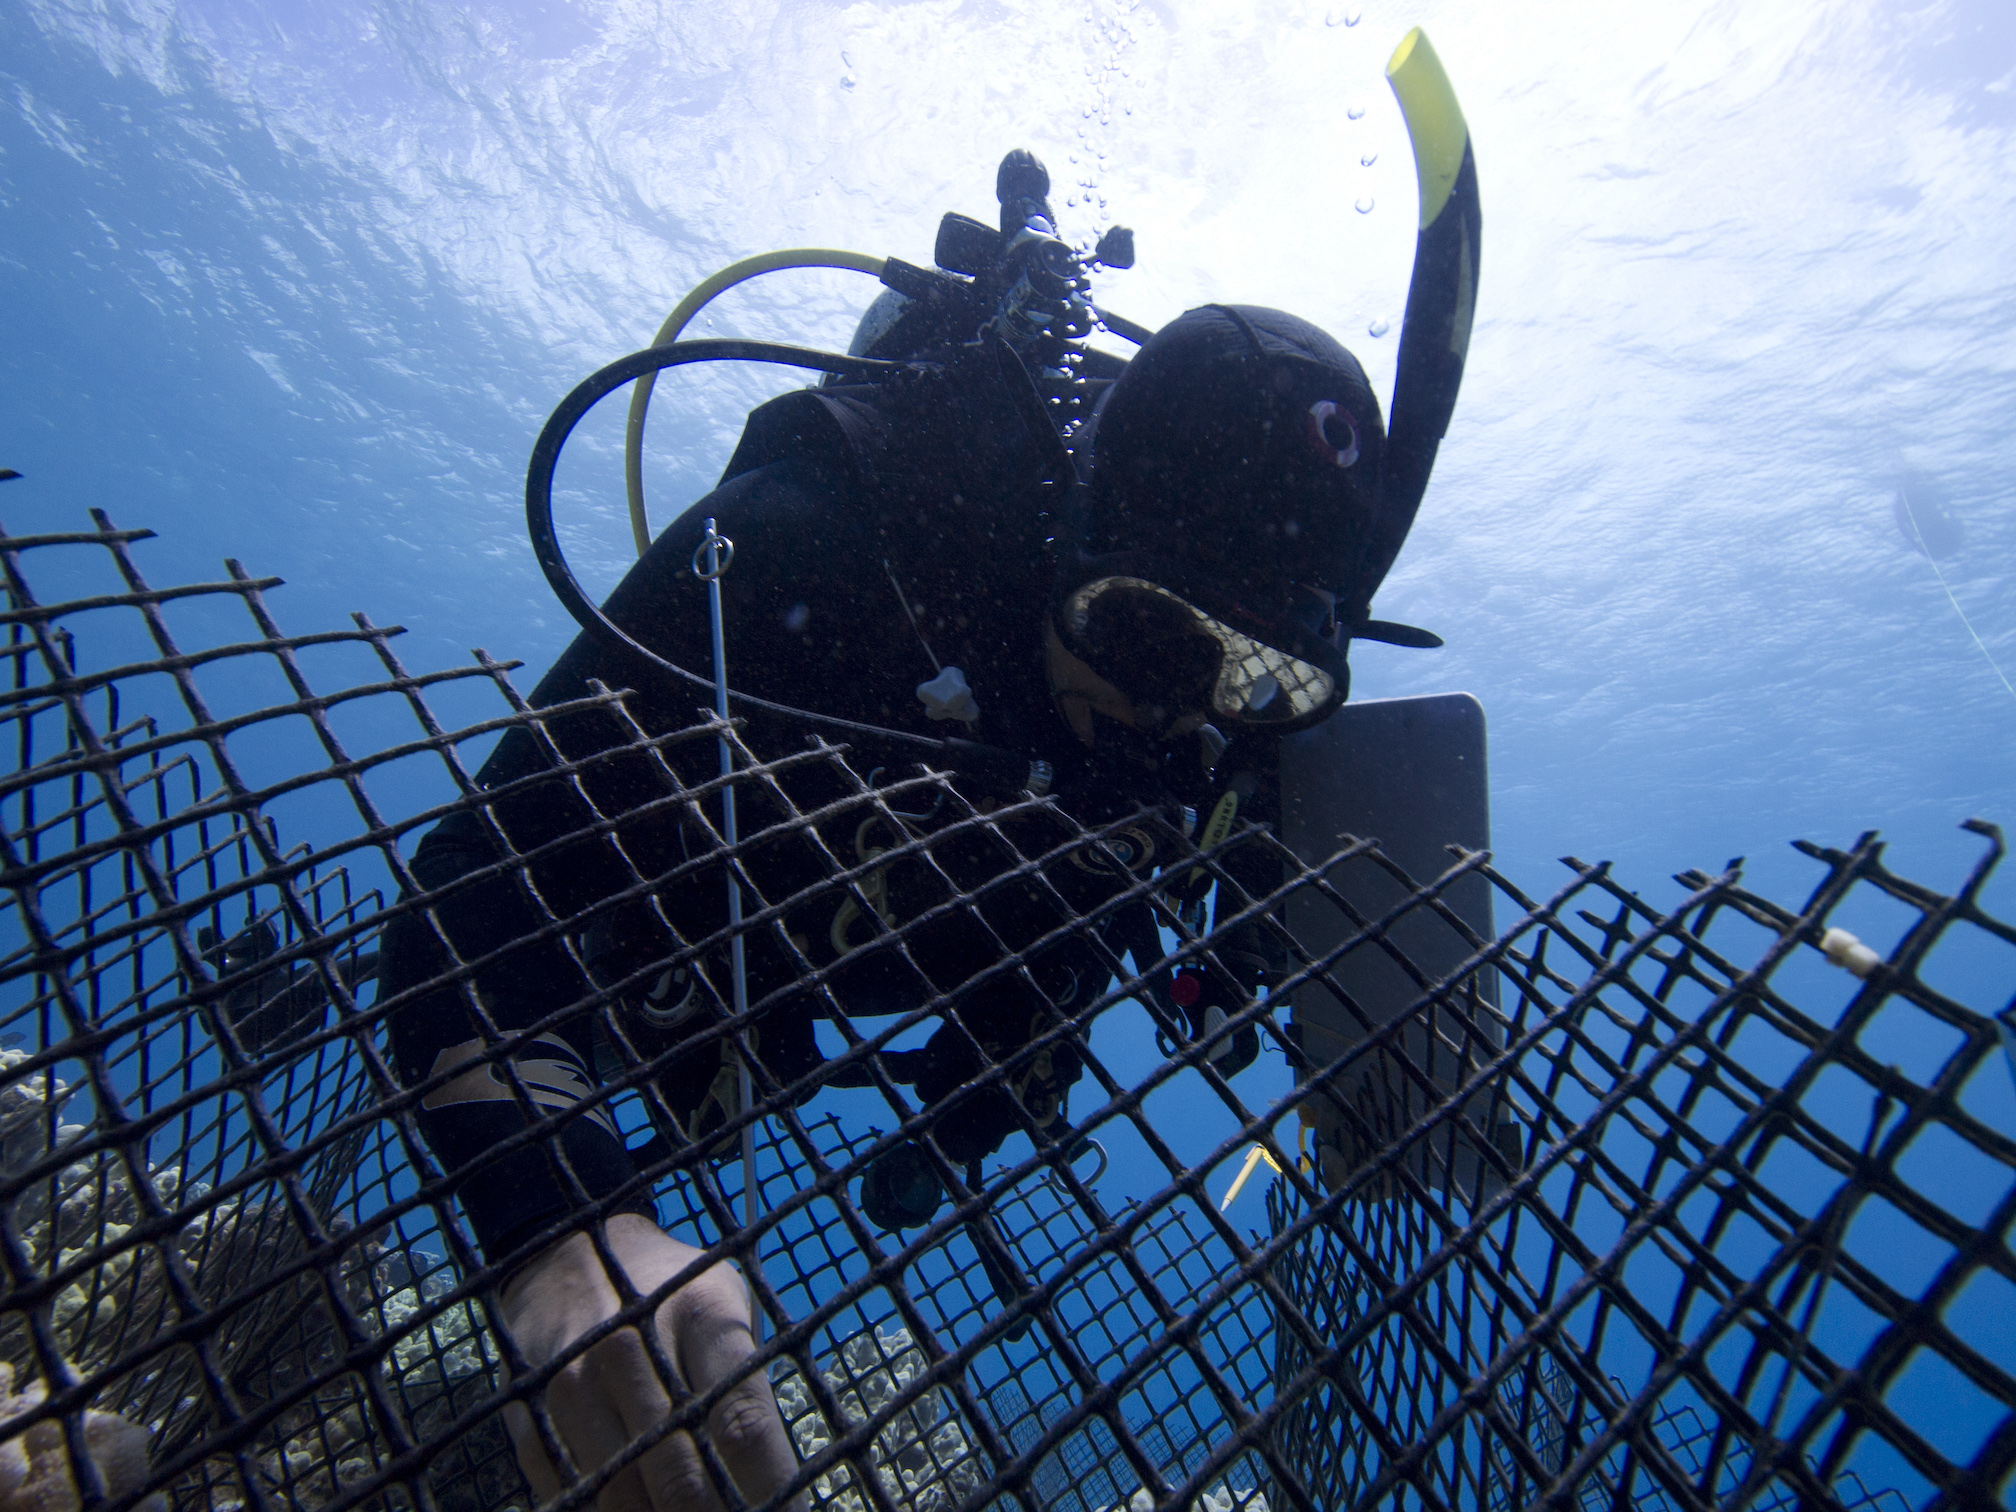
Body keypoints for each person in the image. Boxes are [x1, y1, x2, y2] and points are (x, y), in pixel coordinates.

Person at [378, 126, 1476, 1511]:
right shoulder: (813, 541)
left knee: (1046, 984)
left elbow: (1337, 968)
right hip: (760, 906)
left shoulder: (1225, 728)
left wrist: (1322, 973)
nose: (1183, 714)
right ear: (1077, 543)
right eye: (1143, 637)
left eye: (1263, 679)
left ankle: (951, 1124)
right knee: (660, 1021)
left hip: (990, 940)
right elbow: (482, 882)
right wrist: (560, 1231)